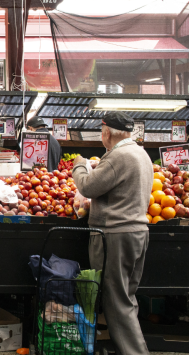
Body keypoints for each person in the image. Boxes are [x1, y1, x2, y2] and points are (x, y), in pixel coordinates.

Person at [72, 111, 152, 355]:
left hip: (115, 234)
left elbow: (87, 186)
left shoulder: (119, 156)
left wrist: (80, 166)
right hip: (137, 231)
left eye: (101, 132)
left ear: (106, 132)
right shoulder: (141, 154)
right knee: (126, 299)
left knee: (116, 302)